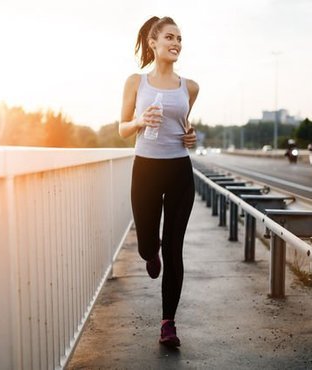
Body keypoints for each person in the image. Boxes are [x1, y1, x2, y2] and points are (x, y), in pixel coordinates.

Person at [119, 16, 199, 347]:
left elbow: (184, 125)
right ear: (153, 43)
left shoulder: (190, 87)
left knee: (175, 249)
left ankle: (168, 324)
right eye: (170, 37)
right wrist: (139, 120)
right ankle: (151, 253)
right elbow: (122, 129)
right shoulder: (136, 82)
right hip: (146, 171)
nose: (176, 43)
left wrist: (191, 137)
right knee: (148, 246)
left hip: (179, 171)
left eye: (180, 38)